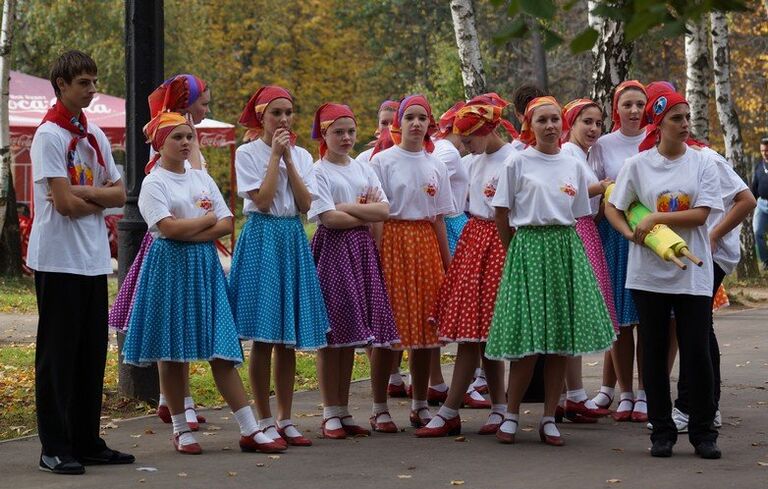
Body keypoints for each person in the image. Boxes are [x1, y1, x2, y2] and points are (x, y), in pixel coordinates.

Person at [123, 112, 285, 456]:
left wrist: (196, 224)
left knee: (221, 347)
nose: (185, 143)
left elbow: (227, 223)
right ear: (159, 144)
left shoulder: (201, 179)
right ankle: (181, 428)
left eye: (188, 137)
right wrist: (206, 220)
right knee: (173, 350)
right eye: (176, 138)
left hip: (204, 267)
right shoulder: (154, 183)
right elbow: (166, 229)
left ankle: (249, 428)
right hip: (169, 268)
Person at [486, 96, 615, 446]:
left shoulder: (571, 164)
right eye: (542, 120)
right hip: (528, 247)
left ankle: (548, 416)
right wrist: (515, 250)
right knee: (529, 341)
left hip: (563, 249)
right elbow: (502, 211)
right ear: (531, 125)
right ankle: (511, 414)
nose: (550, 126)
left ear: (563, 123)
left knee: (559, 340)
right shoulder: (517, 162)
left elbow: (578, 212)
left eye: (555, 119)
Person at [28, 50, 133, 474]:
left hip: (91, 260)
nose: (92, 89)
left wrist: (84, 194)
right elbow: (65, 206)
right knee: (58, 355)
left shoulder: (93, 135)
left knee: (91, 354)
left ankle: (86, 439)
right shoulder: (49, 136)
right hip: (58, 259)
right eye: (84, 83)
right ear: (62, 85)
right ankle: (54, 445)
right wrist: (92, 197)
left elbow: (120, 194)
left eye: (94, 81)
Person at [605, 91, 723, 459]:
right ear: (658, 125)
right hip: (648, 275)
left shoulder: (702, 162)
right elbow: (614, 206)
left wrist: (655, 218)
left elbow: (702, 214)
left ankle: (703, 432)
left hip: (692, 275)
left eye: (687, 117)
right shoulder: (638, 165)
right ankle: (661, 432)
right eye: (677, 118)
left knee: (697, 353)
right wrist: (628, 235)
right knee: (652, 354)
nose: (685, 124)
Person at [108, 73, 211, 430]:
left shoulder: (180, 140)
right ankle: (177, 401)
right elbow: (196, 190)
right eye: (203, 103)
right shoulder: (175, 144)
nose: (206, 110)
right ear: (186, 105)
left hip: (185, 233)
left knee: (178, 324)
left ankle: (176, 399)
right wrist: (207, 221)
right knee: (173, 323)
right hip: (170, 243)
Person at [229, 86, 329, 447]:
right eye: (276, 113)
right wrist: (274, 156)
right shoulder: (246, 153)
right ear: (261, 117)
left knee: (287, 340)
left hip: (291, 237)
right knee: (265, 336)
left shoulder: (301, 155)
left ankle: (286, 418)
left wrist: (288, 160)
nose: (284, 119)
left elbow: (304, 204)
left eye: (288, 112)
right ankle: (263, 417)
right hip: (262, 236)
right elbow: (266, 199)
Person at [414, 93, 515, 438]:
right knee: (477, 330)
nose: (466, 146)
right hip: (476, 241)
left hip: (502, 244)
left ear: (487, 130)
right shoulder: (473, 162)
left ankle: (450, 410)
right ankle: (498, 406)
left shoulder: (514, 159)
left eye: (470, 138)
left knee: (482, 332)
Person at [308, 103, 400, 437]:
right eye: (338, 132)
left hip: (361, 250)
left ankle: (344, 410)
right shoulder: (318, 171)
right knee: (331, 335)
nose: (346, 138)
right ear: (324, 134)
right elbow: (327, 218)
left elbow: (385, 209)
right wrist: (361, 212)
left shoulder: (362, 168)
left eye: (350, 131)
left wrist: (347, 208)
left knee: (351, 334)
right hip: (333, 250)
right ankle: (329, 410)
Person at [370, 94, 455, 429]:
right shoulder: (382, 162)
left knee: (425, 332)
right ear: (398, 123)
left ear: (429, 124)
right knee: (390, 334)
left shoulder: (436, 164)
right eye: (410, 118)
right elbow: (376, 213)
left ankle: (420, 404)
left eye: (422, 118)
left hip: (425, 246)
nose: (416, 124)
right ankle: (379, 407)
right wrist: (377, 255)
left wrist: (448, 264)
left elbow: (438, 219)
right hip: (392, 242)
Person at [588, 80, 649, 423]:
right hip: (614, 234)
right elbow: (596, 191)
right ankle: (624, 392)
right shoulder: (604, 144)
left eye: (640, 104)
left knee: (650, 318)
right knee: (621, 319)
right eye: (627, 104)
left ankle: (646, 392)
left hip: (652, 234)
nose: (634, 111)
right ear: (616, 108)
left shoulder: (655, 139)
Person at [556, 99, 618, 423]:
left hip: (587, 229)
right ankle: (573, 395)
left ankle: (572, 394)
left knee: (577, 315)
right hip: (576, 230)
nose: (593, 129)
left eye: (597, 123)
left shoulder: (586, 155)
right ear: (572, 124)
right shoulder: (567, 153)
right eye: (586, 122)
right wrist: (602, 186)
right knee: (574, 313)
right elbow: (569, 192)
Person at [751, 137, 768, 269]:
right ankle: (765, 262)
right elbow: (754, 187)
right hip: (761, 204)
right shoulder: (758, 166)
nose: (765, 153)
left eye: (767, 150)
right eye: (763, 150)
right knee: (757, 232)